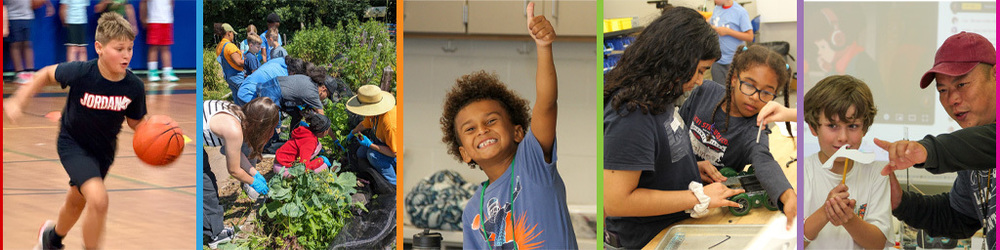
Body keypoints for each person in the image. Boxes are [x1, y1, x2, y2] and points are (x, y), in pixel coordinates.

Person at [603, 7, 745, 249]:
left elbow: (655, 152)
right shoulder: (631, 114)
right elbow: (616, 201)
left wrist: (684, 168)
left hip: (673, 228)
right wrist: (697, 197)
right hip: (646, 241)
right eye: (700, 70)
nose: (701, 80)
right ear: (676, 60)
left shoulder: (659, 94)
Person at [4, 13, 146, 250]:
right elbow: (45, 74)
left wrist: (157, 131)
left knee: (76, 202)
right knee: (99, 200)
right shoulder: (82, 72)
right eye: (119, 48)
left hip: (103, 152)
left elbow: (136, 122)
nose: (126, 55)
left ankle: (51, 239)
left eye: (130, 48)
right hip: (73, 144)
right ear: (99, 47)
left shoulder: (133, 86)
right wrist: (18, 100)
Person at [440, 3, 575, 248]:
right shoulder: (473, 211)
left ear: (518, 132)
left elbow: (546, 103)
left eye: (491, 121)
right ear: (465, 153)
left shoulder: (532, 163)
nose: (482, 130)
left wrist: (544, 47)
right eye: (470, 129)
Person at [873, 31, 996, 249]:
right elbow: (958, 217)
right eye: (942, 90)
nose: (952, 99)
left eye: (962, 85)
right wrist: (900, 202)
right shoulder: (972, 150)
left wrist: (928, 150)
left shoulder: (979, 144)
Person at [680, 44, 797, 229]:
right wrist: (690, 167)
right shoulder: (705, 91)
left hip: (705, 210)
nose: (755, 97)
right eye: (750, 85)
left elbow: (764, 161)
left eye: (766, 92)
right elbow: (677, 134)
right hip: (673, 190)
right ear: (734, 79)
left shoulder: (755, 129)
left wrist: (788, 196)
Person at [800, 75, 891, 249]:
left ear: (864, 128)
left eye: (853, 126)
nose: (843, 137)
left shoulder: (876, 173)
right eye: (832, 126)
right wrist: (826, 212)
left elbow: (878, 244)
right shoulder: (801, 172)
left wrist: (849, 219)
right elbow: (792, 242)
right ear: (813, 127)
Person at [201, 98, 280, 248]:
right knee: (206, 187)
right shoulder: (234, 129)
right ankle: (216, 235)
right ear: (262, 126)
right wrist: (253, 182)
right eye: (271, 129)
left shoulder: (238, 113)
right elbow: (234, 170)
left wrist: (254, 173)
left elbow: (237, 154)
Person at [349, 85, 398, 186]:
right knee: (360, 153)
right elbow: (364, 124)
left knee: (372, 156)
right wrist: (352, 132)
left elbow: (395, 153)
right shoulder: (374, 114)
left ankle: (394, 183)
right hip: (384, 142)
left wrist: (370, 145)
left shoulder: (389, 125)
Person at [6, 0, 54, 84]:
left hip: (28, 17)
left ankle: (30, 71)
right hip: (13, 17)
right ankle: (19, 72)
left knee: (27, 44)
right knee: (15, 45)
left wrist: (48, 5)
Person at [273, 110, 333, 177]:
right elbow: (304, 167)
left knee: (318, 145)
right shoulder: (310, 142)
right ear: (324, 132)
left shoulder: (306, 131)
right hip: (282, 169)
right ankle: (290, 176)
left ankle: (303, 160)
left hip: (280, 162)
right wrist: (320, 160)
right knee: (324, 167)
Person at [708, 0, 753, 82]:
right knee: (719, 91)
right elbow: (712, 22)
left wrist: (728, 32)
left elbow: (750, 36)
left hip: (734, 61)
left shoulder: (740, 12)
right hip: (717, 60)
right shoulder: (717, 9)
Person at [140, 0, 178, 82]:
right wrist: (143, 17)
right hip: (154, 20)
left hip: (167, 21)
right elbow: (143, 2)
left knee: (166, 47)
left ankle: (167, 71)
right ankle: (152, 71)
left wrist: (169, 17)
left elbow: (171, 3)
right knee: (153, 46)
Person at [216, 23, 245, 99]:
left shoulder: (219, 46)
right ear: (229, 33)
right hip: (237, 76)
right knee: (246, 96)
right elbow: (238, 62)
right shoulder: (230, 46)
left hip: (228, 76)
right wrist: (249, 61)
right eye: (233, 33)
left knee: (236, 98)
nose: (233, 35)